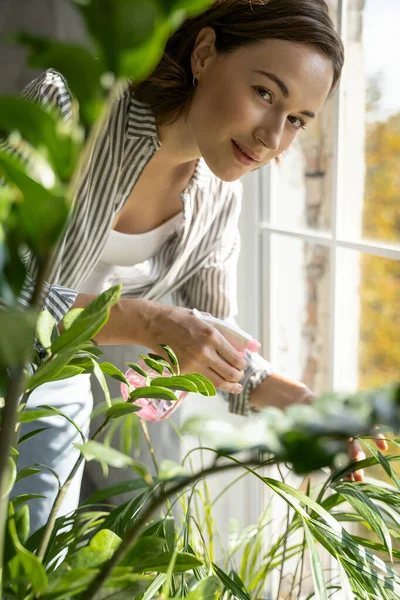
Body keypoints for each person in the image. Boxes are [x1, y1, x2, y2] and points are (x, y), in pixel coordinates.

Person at [11, 0, 386, 533]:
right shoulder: (70, 109)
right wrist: (148, 323)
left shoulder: (216, 200)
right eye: (264, 94)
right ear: (205, 53)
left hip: (72, 411)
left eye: (297, 120)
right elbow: (12, 302)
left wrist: (305, 405)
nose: (271, 138)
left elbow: (215, 342)